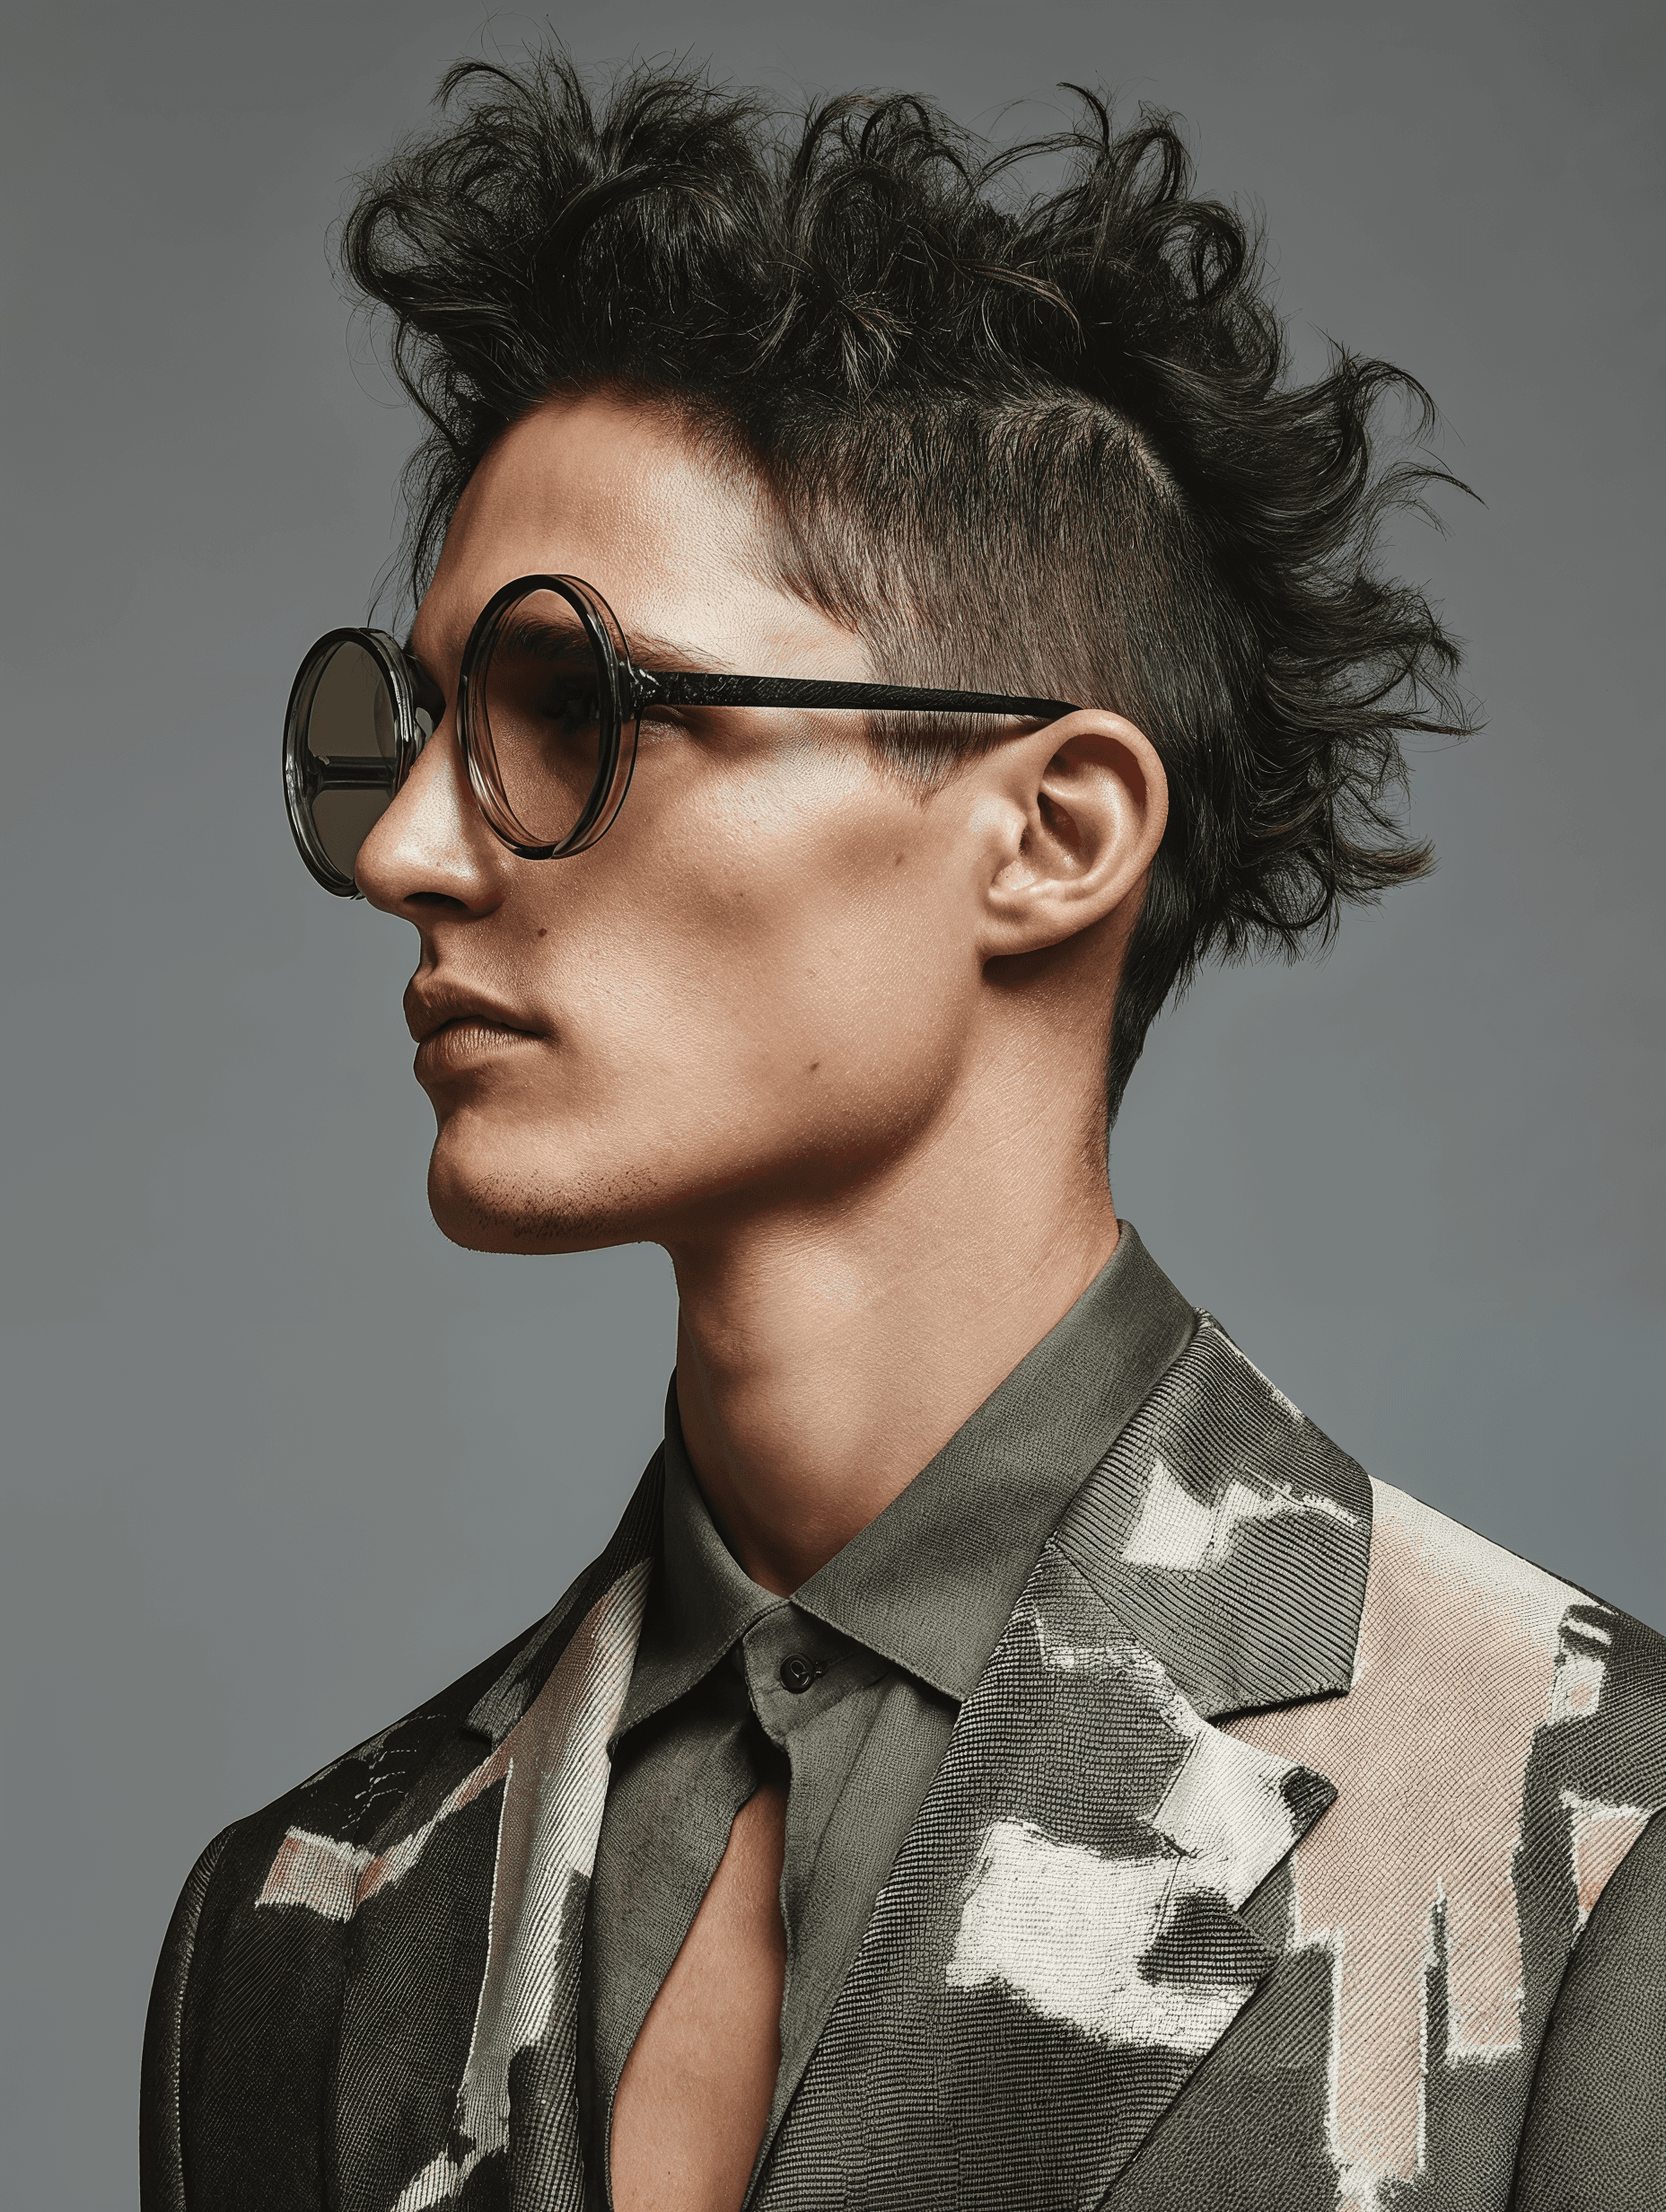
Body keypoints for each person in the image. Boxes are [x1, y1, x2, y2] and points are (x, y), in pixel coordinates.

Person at [140, 51, 1665, 2212]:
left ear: (1050, 833)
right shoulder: (304, 1929)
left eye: (569, 708)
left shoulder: (1588, 1843)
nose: (404, 849)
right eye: (413, 726)